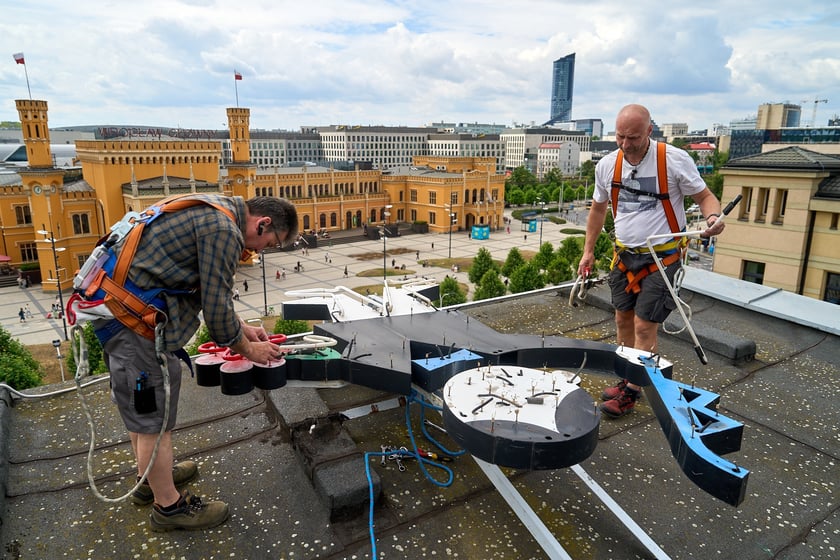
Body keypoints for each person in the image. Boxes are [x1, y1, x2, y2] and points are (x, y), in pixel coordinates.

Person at [98, 194, 297, 531]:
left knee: (146, 409)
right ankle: (169, 507)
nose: (261, 251)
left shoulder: (213, 209)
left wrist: (244, 328)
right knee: (152, 419)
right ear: (263, 223)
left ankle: (150, 478)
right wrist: (251, 350)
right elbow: (217, 315)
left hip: (124, 315)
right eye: (269, 243)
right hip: (132, 324)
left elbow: (210, 293)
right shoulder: (225, 231)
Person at [577, 104, 726, 418]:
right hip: (624, 255)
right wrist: (588, 251)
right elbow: (598, 210)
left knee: (644, 327)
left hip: (661, 258)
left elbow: (705, 197)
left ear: (649, 132)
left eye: (633, 137)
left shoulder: (672, 160)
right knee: (622, 322)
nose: (626, 144)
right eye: (620, 136)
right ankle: (629, 374)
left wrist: (714, 216)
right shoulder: (607, 165)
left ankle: (632, 390)